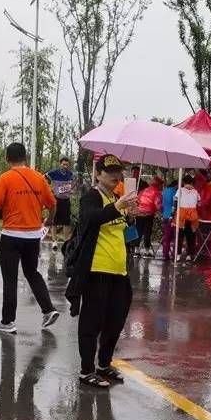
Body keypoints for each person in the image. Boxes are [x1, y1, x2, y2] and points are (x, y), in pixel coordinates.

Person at [65, 154, 137, 388]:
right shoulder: (92, 197)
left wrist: (132, 220)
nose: (116, 176)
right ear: (98, 174)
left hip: (119, 271)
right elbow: (90, 218)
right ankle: (87, 370)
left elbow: (127, 237)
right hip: (97, 270)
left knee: (116, 320)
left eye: (118, 171)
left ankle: (104, 364)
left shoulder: (118, 199)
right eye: (110, 172)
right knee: (91, 322)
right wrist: (117, 207)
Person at [0, 143, 60, 334]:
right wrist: (49, 221)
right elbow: (53, 204)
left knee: (10, 278)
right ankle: (48, 309)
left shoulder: (5, 178)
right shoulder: (38, 177)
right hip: (33, 236)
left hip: (11, 236)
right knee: (32, 272)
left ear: (7, 159)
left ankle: (8, 322)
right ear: (26, 157)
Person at [45, 157, 75, 247]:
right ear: (60, 164)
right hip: (56, 199)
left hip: (66, 199)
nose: (65, 166)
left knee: (66, 221)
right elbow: (44, 178)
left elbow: (71, 185)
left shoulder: (70, 174)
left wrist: (71, 190)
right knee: (54, 221)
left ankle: (66, 241)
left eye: (67, 164)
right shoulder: (54, 173)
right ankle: (54, 241)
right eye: (63, 164)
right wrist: (48, 190)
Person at [136, 176, 163, 257]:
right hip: (148, 214)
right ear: (158, 184)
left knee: (138, 232)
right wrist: (161, 211)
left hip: (139, 213)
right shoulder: (156, 192)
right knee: (147, 232)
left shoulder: (144, 190)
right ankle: (147, 251)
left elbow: (137, 200)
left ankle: (136, 250)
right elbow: (157, 204)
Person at [175, 175, 200, 263]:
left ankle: (178, 255)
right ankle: (189, 255)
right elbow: (199, 202)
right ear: (192, 182)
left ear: (183, 182)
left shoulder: (180, 190)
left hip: (181, 214)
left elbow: (176, 201)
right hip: (193, 215)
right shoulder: (196, 191)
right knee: (191, 236)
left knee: (180, 235)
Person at [160, 180, 178, 261]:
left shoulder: (165, 191)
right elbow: (175, 204)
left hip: (164, 215)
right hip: (172, 216)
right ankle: (174, 255)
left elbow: (162, 204)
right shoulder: (174, 192)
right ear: (176, 185)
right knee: (174, 236)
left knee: (166, 237)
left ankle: (165, 254)